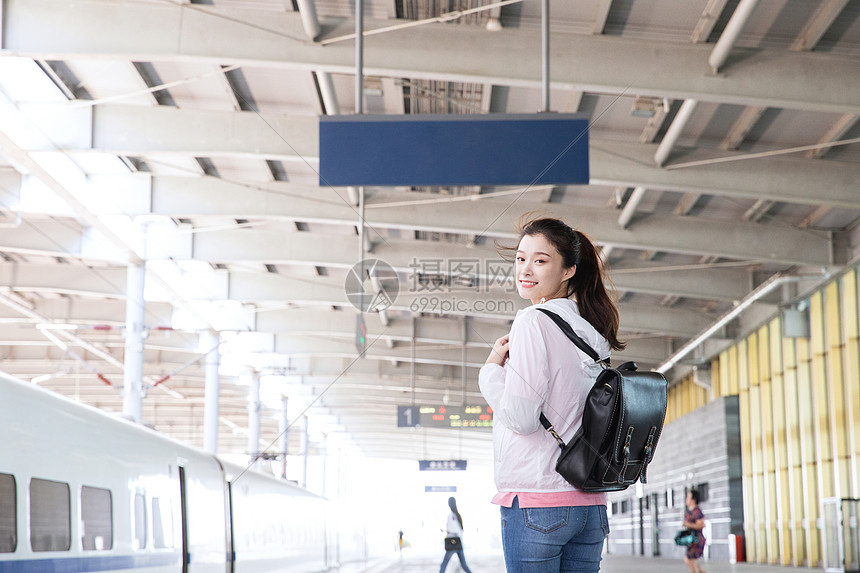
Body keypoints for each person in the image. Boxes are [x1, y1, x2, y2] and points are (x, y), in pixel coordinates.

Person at [479, 215, 625, 573]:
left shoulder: (533, 321)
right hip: (590, 505)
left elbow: (522, 418)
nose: (526, 269)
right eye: (521, 258)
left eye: (540, 260)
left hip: (538, 502)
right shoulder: (593, 330)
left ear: (568, 270)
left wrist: (489, 373)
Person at [440, 496, 474, 573]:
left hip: (452, 543)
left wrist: (445, 530)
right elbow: (460, 530)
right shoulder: (457, 515)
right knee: (463, 565)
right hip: (458, 543)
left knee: (444, 564)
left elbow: (453, 529)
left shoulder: (451, 516)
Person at [683, 489, 707, 573]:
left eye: (688, 497)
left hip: (696, 540)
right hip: (691, 540)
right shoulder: (688, 512)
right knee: (690, 560)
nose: (687, 499)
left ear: (693, 499)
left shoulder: (696, 511)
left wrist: (688, 524)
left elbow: (701, 525)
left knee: (690, 561)